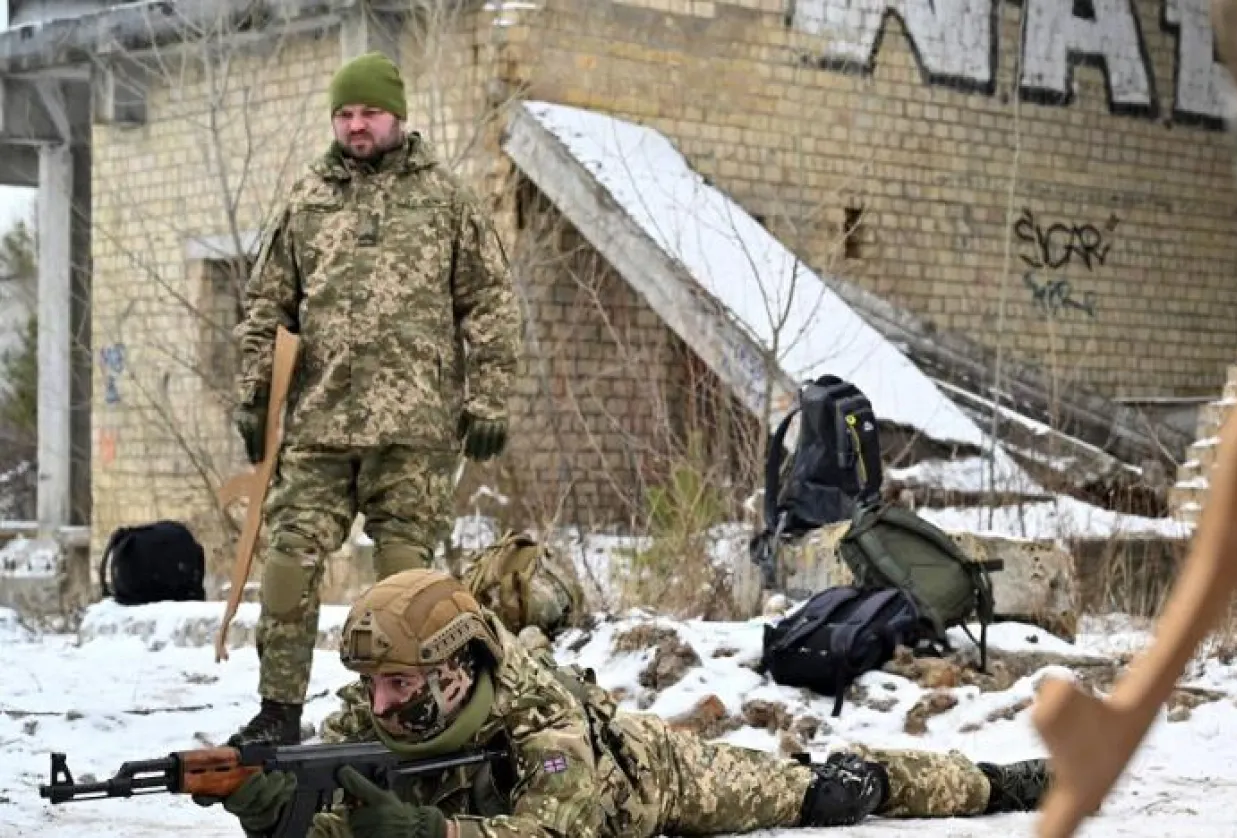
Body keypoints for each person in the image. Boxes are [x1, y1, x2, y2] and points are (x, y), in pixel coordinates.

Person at [198, 569, 1052, 838]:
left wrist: (431, 833)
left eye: (400, 685)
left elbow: (558, 832)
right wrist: (277, 816)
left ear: (457, 669)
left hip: (649, 781)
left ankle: (992, 781)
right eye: (372, 683)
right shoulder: (364, 718)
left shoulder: (539, 717)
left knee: (828, 795)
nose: (378, 704)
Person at [228, 50, 520, 747]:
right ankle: (278, 712)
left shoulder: (445, 199)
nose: (356, 125)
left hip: (413, 433)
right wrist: (252, 396)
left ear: (398, 116)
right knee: (288, 567)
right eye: (345, 113)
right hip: (319, 427)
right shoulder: (307, 199)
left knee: (405, 586)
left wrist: (490, 396)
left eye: (369, 112)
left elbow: (489, 302)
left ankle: (406, 718)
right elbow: (267, 305)